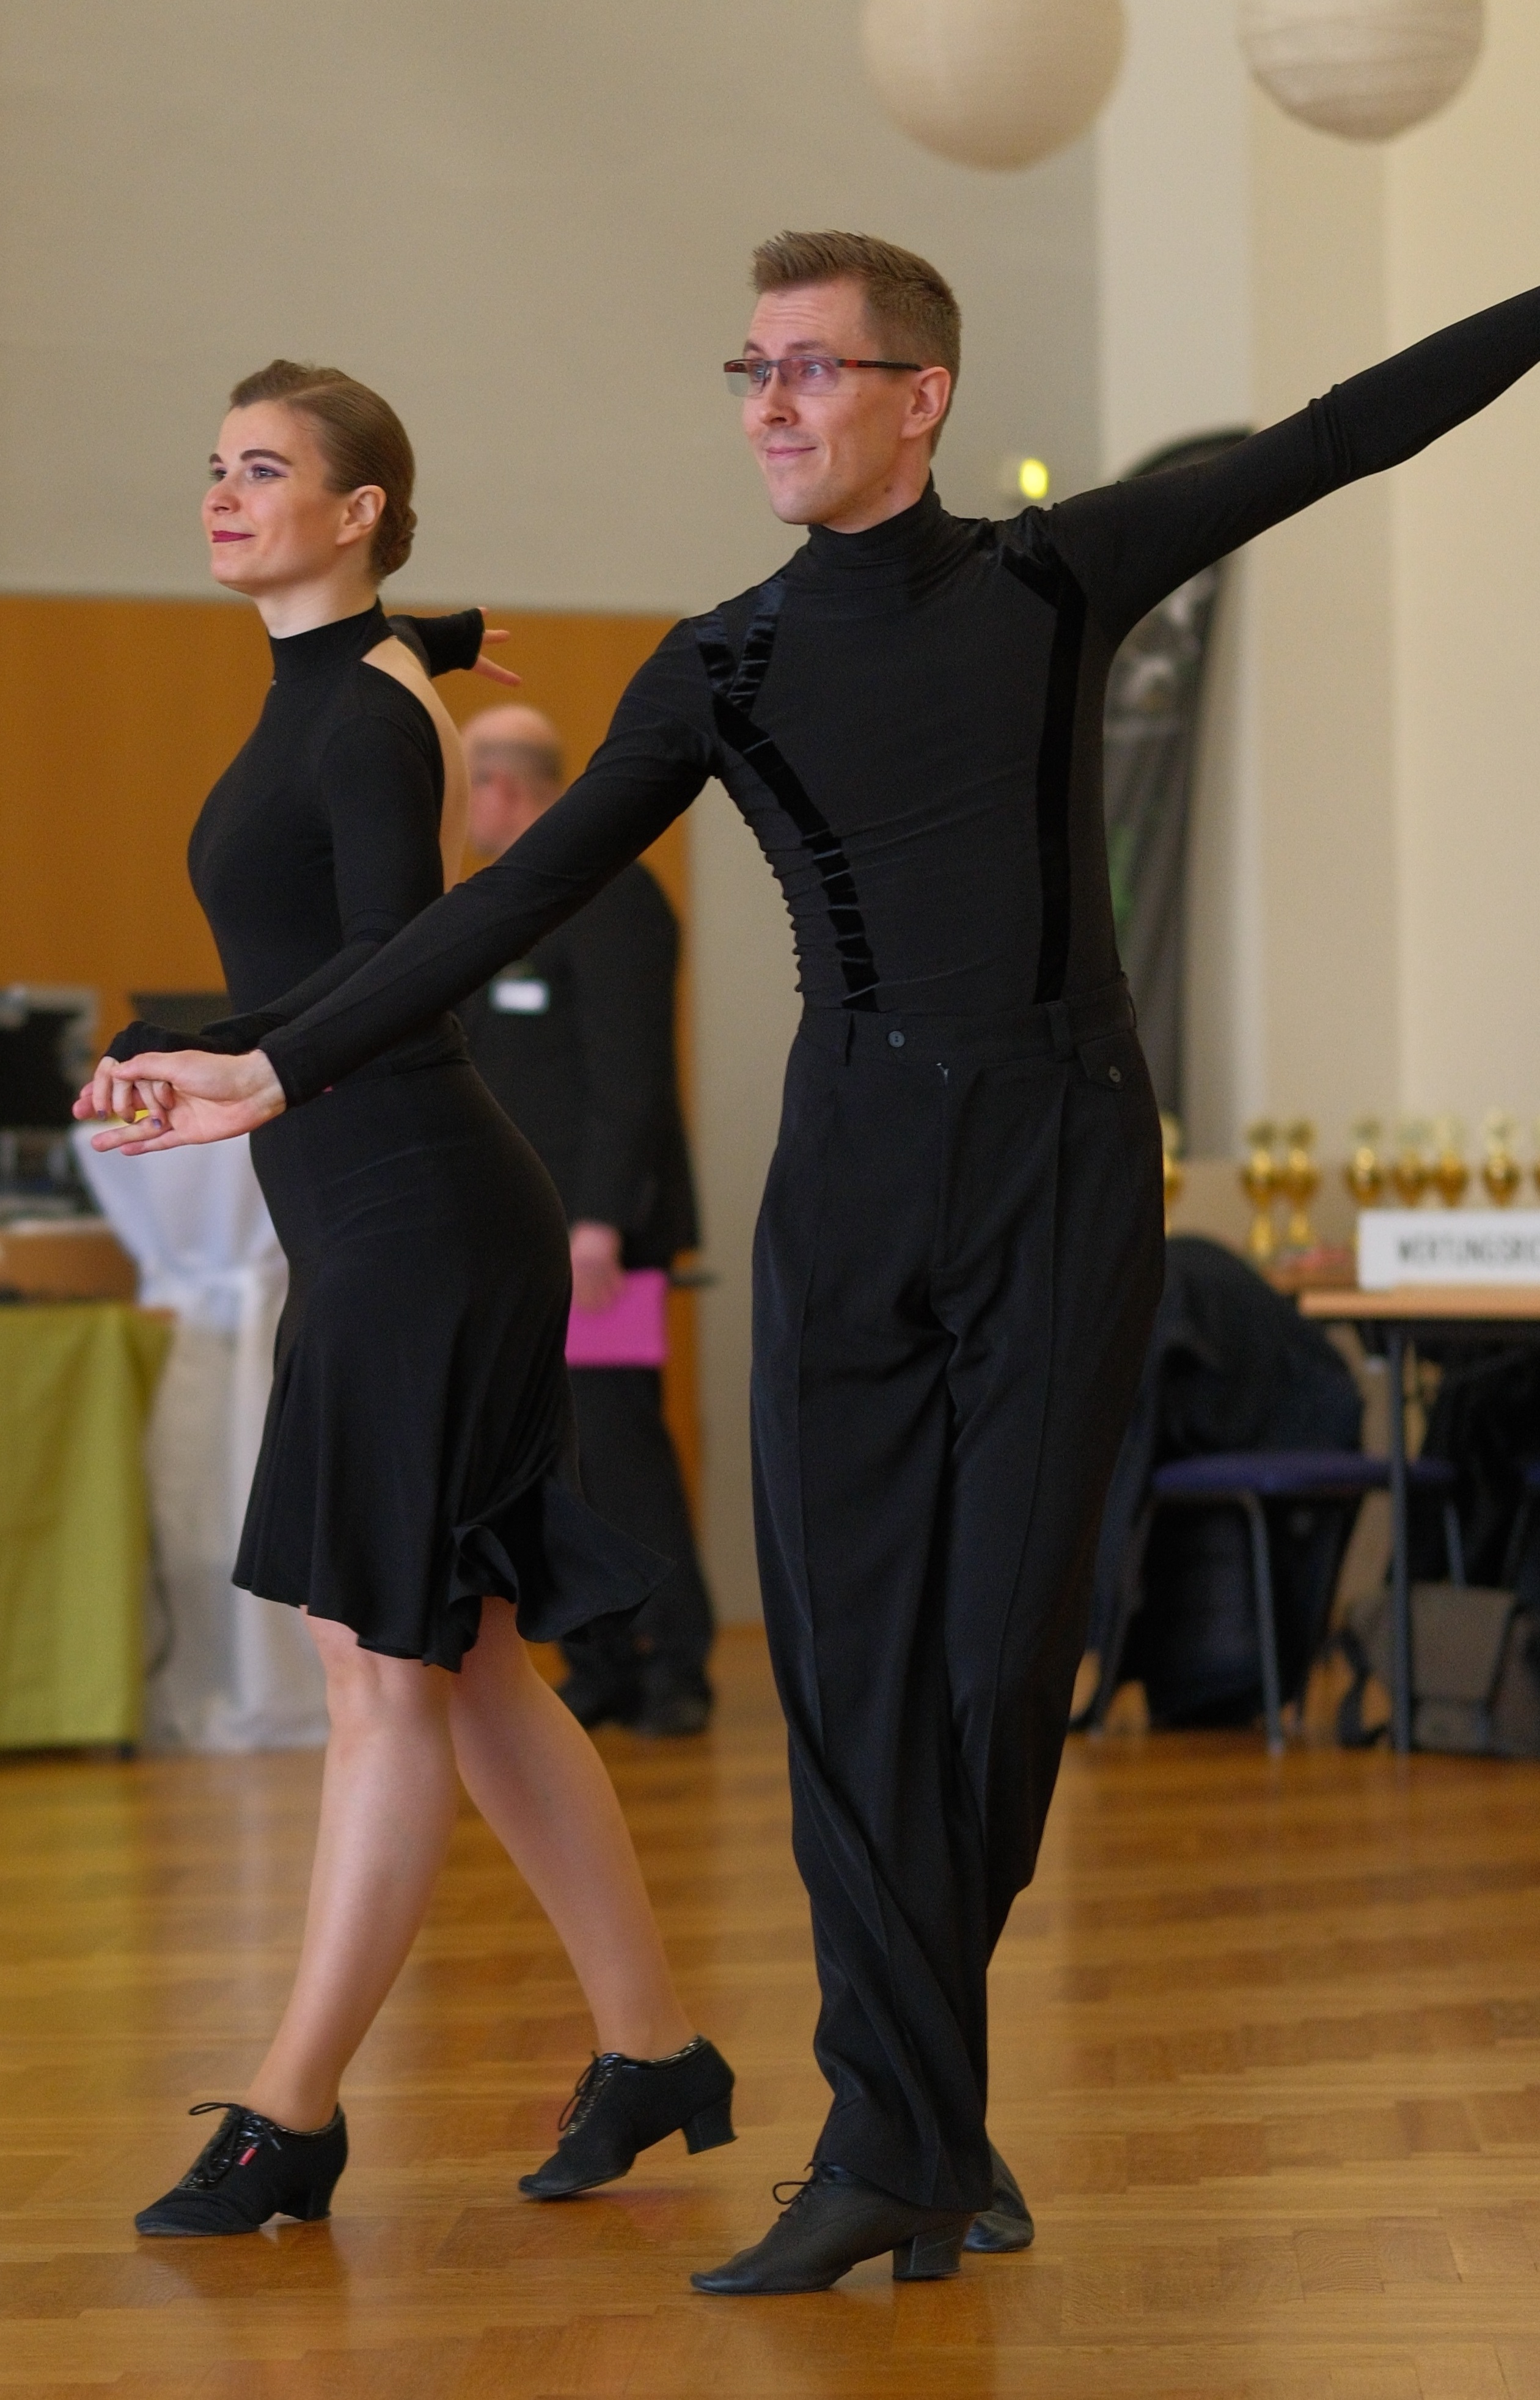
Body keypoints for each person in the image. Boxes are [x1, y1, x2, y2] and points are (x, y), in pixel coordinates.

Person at [86, 238, 1540, 2294]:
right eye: (749, 368)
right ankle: (898, 2137)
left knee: (994, 1665)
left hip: (1056, 1161)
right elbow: (511, 896)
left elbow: (1338, 433)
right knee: (845, 1670)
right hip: (844, 1180)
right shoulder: (724, 661)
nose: (768, 401)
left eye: (811, 368)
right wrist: (267, 1062)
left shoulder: (1055, 575)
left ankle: (911, 2125)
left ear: (920, 395)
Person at [95, 360, 733, 2241]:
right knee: (463, 1668)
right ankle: (655, 2050)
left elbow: (400, 957)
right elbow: (357, 722)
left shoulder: (367, 715)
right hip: (384, 1219)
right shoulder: (345, 678)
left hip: (418, 1219)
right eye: (215, 465)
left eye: (265, 469)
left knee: (382, 1671)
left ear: (359, 504)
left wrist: (212, 1048)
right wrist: (430, 632)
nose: (221, 493)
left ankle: (291, 2113)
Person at [453, 705, 714, 1739]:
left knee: (617, 1451)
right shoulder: (510, 898)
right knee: (545, 1464)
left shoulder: (612, 895)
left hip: (596, 1241)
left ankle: (676, 1663)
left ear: (503, 787)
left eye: (466, 784)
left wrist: (599, 1221)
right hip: (520, 1243)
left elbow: (629, 1079)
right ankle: (600, 1661)